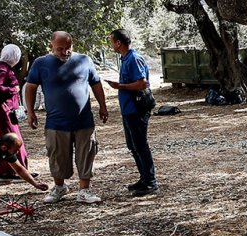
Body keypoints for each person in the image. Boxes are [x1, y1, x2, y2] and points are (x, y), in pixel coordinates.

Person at [23, 31, 107, 205]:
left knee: (86, 155)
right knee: (57, 155)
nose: (65, 52)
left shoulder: (84, 60)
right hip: (56, 122)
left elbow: (96, 84)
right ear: (51, 46)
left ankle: (84, 190)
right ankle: (59, 187)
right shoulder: (41, 63)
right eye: (60, 48)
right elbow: (30, 87)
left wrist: (103, 106)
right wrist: (30, 112)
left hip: (83, 120)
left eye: (68, 48)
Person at [103, 28, 158, 196]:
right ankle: (144, 178)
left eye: (112, 41)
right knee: (133, 145)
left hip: (137, 109)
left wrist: (120, 86)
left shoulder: (134, 59)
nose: (111, 44)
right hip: (128, 109)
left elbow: (142, 83)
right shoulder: (126, 59)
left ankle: (150, 182)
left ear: (118, 42)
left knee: (141, 146)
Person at [0, 43, 28, 177]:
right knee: (10, 139)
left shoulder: (0, 68)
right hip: (0, 112)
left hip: (0, 110)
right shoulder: (1, 69)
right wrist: (14, 90)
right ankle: (9, 170)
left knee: (6, 139)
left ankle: (13, 170)